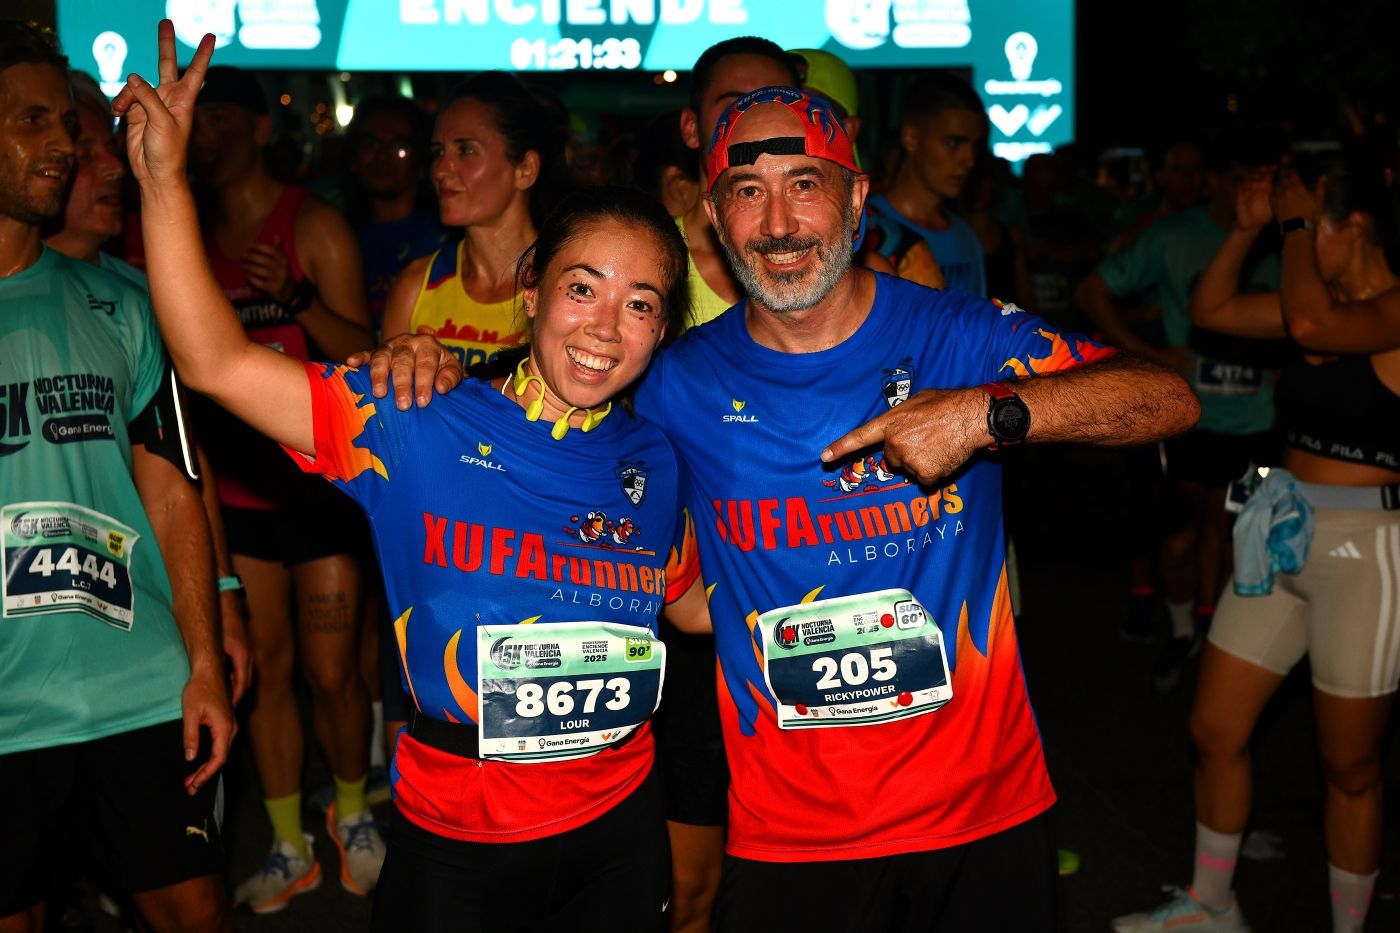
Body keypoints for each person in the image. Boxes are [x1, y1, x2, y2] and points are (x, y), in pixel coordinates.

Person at [372, 85, 1201, 933]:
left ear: (857, 198)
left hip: (983, 812)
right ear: (714, 218)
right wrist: (426, 374)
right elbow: (548, 441)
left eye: (804, 184)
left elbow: (1168, 399)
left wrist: (985, 413)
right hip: (791, 836)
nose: (778, 222)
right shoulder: (670, 378)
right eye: (746, 192)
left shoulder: (956, 335)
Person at [115, 22, 708, 932]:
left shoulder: (654, 459)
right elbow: (215, 361)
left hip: (618, 827)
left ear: (662, 331)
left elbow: (693, 605)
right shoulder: (415, 417)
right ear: (532, 293)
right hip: (458, 838)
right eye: (582, 289)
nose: (605, 327)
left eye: (641, 305)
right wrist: (162, 180)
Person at [1112, 156, 1400, 933]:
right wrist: (1246, 229)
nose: (1293, 242)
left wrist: (1294, 223)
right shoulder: (1315, 300)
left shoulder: (1387, 309)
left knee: (1349, 766)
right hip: (1281, 528)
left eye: (1308, 227)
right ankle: (1213, 904)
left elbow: (1309, 326)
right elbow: (1210, 308)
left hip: (1368, 548)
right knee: (1215, 728)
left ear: (1353, 226)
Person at [0, 21, 235, 933]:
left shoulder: (125, 301)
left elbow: (174, 484)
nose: (63, 145)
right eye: (32, 122)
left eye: (66, 123)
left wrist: (205, 660)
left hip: (138, 689)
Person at [188, 63, 384, 911]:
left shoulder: (315, 225)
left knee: (333, 670)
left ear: (264, 129)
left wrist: (296, 299)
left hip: (320, 495)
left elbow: (367, 356)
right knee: (261, 670)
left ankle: (350, 815)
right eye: (199, 121)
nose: (205, 136)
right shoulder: (180, 230)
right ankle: (287, 842)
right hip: (235, 491)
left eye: (223, 119)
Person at [1076, 144, 1283, 694]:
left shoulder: (1287, 242)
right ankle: (1182, 631)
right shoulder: (1171, 235)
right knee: (1180, 542)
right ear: (1219, 182)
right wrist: (1144, 355)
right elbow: (1092, 292)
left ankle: (1226, 645)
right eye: (1240, 178)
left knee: (1243, 536)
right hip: (1190, 418)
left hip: (1259, 423)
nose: (1252, 191)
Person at [380, 71, 561, 372]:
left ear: (525, 169)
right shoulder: (415, 286)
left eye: (466, 150)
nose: (440, 169)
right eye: (438, 152)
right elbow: (389, 413)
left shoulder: (565, 286)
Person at [862, 70, 986, 292]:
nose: (969, 160)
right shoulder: (867, 229)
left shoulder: (965, 234)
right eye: (954, 143)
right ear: (911, 138)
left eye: (974, 145)